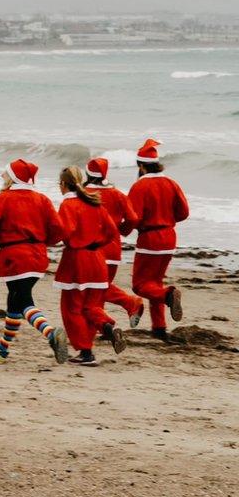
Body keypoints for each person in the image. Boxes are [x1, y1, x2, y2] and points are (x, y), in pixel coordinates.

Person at [0, 159, 69, 364]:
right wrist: (43, 241)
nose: (2, 176)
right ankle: (2, 348)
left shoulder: (1, 199)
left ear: (12, 178)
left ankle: (51, 334)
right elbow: (59, 229)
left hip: (14, 256)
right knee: (15, 300)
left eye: (5, 173)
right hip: (38, 255)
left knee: (23, 301)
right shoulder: (42, 199)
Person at [54, 166, 127, 366]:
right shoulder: (95, 202)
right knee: (91, 306)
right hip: (97, 258)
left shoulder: (68, 205)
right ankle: (106, 327)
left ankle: (86, 352)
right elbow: (113, 232)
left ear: (63, 184)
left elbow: (66, 233)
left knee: (72, 308)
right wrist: (96, 243)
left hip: (77, 259)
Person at [127, 138, 189, 342]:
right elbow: (183, 212)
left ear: (141, 166)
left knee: (140, 285)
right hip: (169, 237)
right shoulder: (171, 183)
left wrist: (122, 230)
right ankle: (159, 327)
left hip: (150, 239)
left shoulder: (140, 186)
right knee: (155, 283)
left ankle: (168, 296)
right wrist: (168, 220)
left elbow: (133, 217)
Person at [84, 158, 145, 326]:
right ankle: (104, 325)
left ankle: (129, 302)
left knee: (93, 289)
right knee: (101, 288)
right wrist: (122, 231)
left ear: (87, 174)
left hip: (92, 249)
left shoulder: (83, 193)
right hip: (113, 248)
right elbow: (133, 218)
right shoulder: (118, 194)